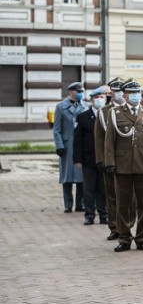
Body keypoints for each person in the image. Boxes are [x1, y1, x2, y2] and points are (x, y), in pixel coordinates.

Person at [104, 79, 143, 252]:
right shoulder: (115, 113)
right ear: (125, 95)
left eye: (138, 92)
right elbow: (109, 141)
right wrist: (110, 163)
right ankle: (124, 238)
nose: (136, 96)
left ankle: (142, 237)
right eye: (132, 93)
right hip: (122, 165)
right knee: (123, 204)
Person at [94, 77, 135, 241]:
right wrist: (101, 160)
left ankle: (128, 225)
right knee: (112, 195)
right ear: (110, 92)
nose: (118, 94)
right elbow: (99, 138)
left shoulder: (132, 109)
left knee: (129, 196)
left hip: (129, 160)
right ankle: (114, 227)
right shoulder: (104, 112)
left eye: (121, 90)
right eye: (115, 91)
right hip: (111, 160)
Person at [73, 87, 108, 226]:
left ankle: (104, 214)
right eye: (97, 97)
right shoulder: (83, 116)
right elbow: (78, 140)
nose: (100, 100)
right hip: (88, 159)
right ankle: (89, 215)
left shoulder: (109, 115)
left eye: (102, 97)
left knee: (103, 188)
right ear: (92, 100)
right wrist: (77, 159)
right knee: (89, 188)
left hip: (105, 158)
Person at [53, 81, 87, 213]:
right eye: (78, 91)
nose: (80, 94)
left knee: (81, 176)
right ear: (71, 92)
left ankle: (80, 204)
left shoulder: (85, 106)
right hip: (67, 146)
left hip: (81, 145)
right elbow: (57, 129)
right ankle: (68, 204)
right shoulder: (61, 107)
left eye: (81, 92)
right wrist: (59, 145)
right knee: (66, 176)